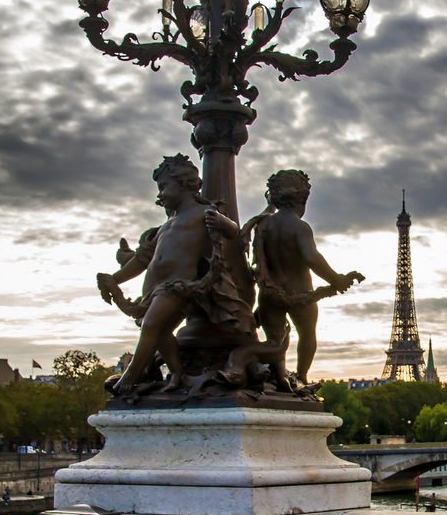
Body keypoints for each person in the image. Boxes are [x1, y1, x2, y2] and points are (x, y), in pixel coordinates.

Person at [96, 154, 253, 394]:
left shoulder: (203, 213)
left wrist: (221, 220)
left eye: (164, 186)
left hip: (178, 286)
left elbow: (232, 230)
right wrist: (114, 279)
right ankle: (178, 371)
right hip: (154, 288)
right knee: (159, 331)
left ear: (182, 183)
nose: (160, 194)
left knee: (151, 326)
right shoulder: (167, 225)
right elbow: (142, 261)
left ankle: (131, 376)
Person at [227, 170, 363, 384]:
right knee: (307, 335)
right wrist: (335, 280)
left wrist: (270, 204)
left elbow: (266, 216)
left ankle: (270, 371)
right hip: (301, 293)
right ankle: (301, 376)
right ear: (302, 199)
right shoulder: (300, 227)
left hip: (269, 294)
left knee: (273, 341)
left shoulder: (264, 225)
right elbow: (312, 257)